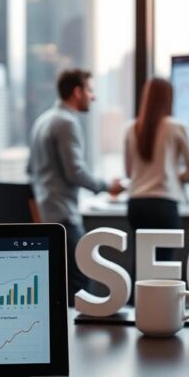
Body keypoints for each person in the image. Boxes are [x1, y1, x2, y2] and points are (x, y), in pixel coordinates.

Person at [28, 69, 123, 303]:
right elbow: (75, 172)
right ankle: (77, 339)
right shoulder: (66, 122)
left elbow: (31, 170)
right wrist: (106, 186)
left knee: (58, 285)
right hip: (64, 216)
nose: (94, 97)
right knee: (81, 284)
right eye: (90, 90)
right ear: (77, 92)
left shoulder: (43, 120)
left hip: (45, 214)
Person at [124, 77, 189, 262]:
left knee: (142, 265)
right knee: (165, 268)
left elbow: (128, 173)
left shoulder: (131, 128)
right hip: (163, 205)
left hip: (137, 205)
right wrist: (174, 176)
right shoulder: (176, 127)